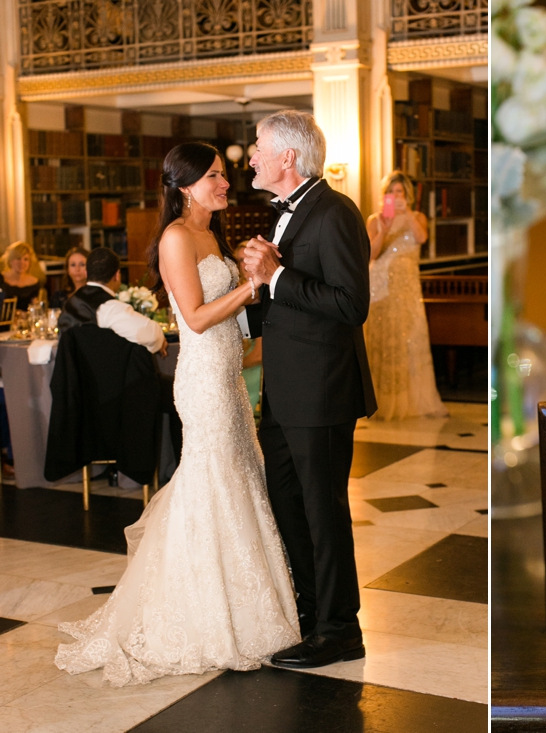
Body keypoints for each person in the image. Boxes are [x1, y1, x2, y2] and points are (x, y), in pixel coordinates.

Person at [55, 142, 300, 687]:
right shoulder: (174, 237)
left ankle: (246, 605)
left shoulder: (212, 235)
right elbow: (192, 316)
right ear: (185, 186)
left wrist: (256, 313)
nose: (225, 183)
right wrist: (253, 285)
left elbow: (232, 324)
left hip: (228, 379)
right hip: (203, 382)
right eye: (214, 176)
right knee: (212, 482)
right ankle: (201, 615)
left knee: (239, 477)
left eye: (223, 175)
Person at [242, 110, 377, 669]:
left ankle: (341, 629)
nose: (249, 155)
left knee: (323, 512)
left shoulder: (335, 212)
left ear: (287, 158)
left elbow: (351, 305)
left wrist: (274, 277)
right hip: (285, 391)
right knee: (289, 506)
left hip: (322, 392)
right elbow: (285, 306)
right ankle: (311, 613)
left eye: (257, 146)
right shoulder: (286, 214)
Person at [365, 171, 448, 420]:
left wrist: (407, 213)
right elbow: (371, 255)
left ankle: (412, 401)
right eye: (390, 192)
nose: (395, 196)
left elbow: (422, 237)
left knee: (410, 340)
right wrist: (384, 229)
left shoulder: (418, 216)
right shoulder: (375, 219)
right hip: (380, 287)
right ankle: (382, 402)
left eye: (399, 192)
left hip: (407, 288)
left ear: (407, 195)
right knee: (384, 342)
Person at [57, 247, 167, 356]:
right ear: (117, 275)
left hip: (74, 371)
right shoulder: (109, 307)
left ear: (86, 273)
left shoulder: (69, 304)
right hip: (103, 371)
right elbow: (153, 335)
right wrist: (159, 341)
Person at [233, 241, 263, 421]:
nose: (244, 264)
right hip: (241, 365)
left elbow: (260, 355)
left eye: (248, 258)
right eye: (239, 260)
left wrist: (231, 367)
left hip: (253, 369)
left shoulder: (262, 294)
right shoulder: (236, 292)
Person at [1, 241, 43, 310]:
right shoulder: (1, 279)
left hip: (25, 319)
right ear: (10, 260)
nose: (22, 263)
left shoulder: (34, 282)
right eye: (18, 258)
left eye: (26, 259)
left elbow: (34, 308)